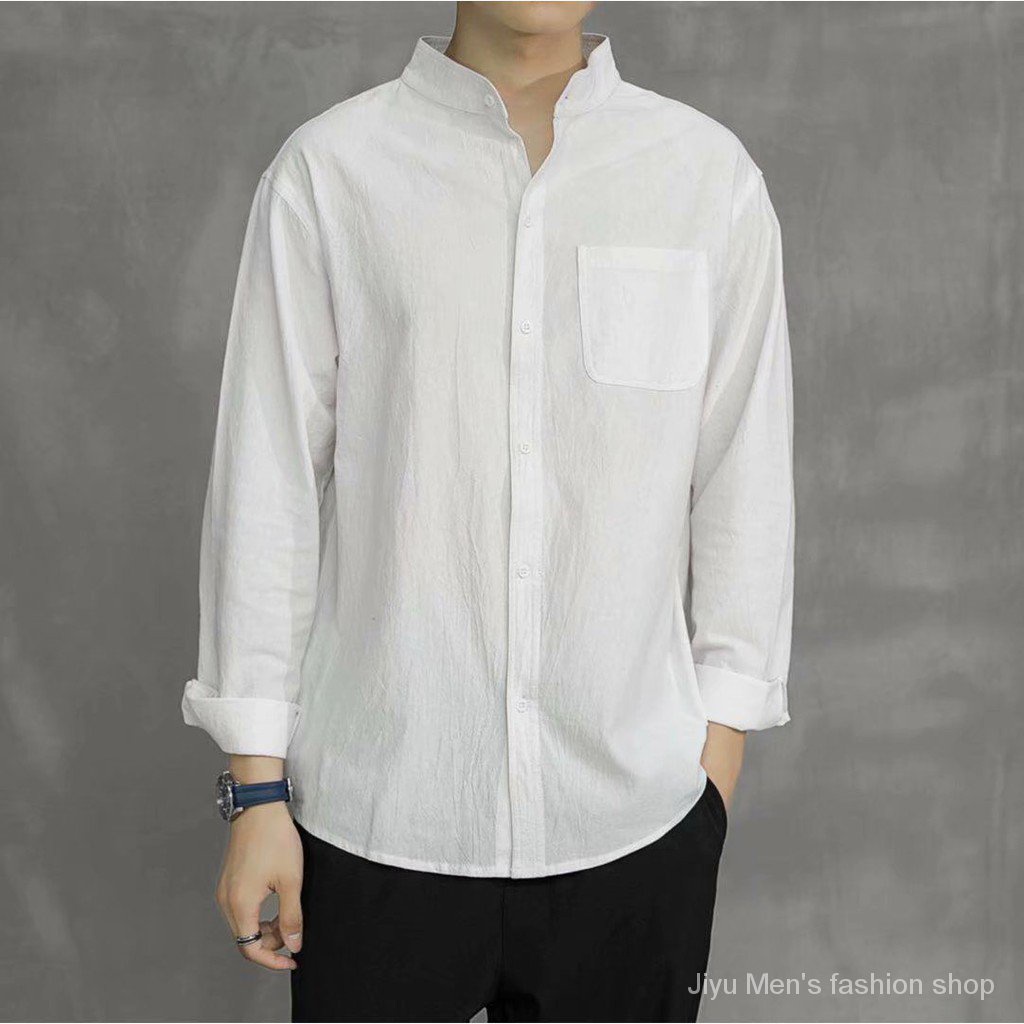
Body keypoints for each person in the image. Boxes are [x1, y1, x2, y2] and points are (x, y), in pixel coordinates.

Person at [181, 2, 795, 1020]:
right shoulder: (331, 172)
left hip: (635, 823)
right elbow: (265, 484)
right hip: (376, 818)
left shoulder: (704, 176)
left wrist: (715, 768)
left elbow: (745, 476)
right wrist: (256, 790)